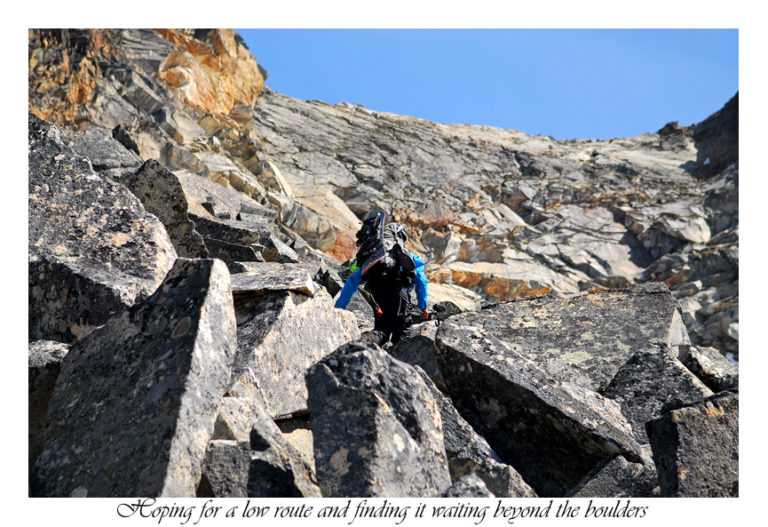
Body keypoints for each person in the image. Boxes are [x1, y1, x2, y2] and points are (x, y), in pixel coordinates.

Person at [335, 214, 428, 345]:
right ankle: (396, 361)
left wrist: (340, 307)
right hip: (397, 292)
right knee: (402, 331)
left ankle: (359, 344)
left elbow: (353, 275)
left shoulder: (372, 254)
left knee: (382, 330)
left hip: (376, 293)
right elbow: (421, 279)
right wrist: (423, 307)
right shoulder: (403, 254)